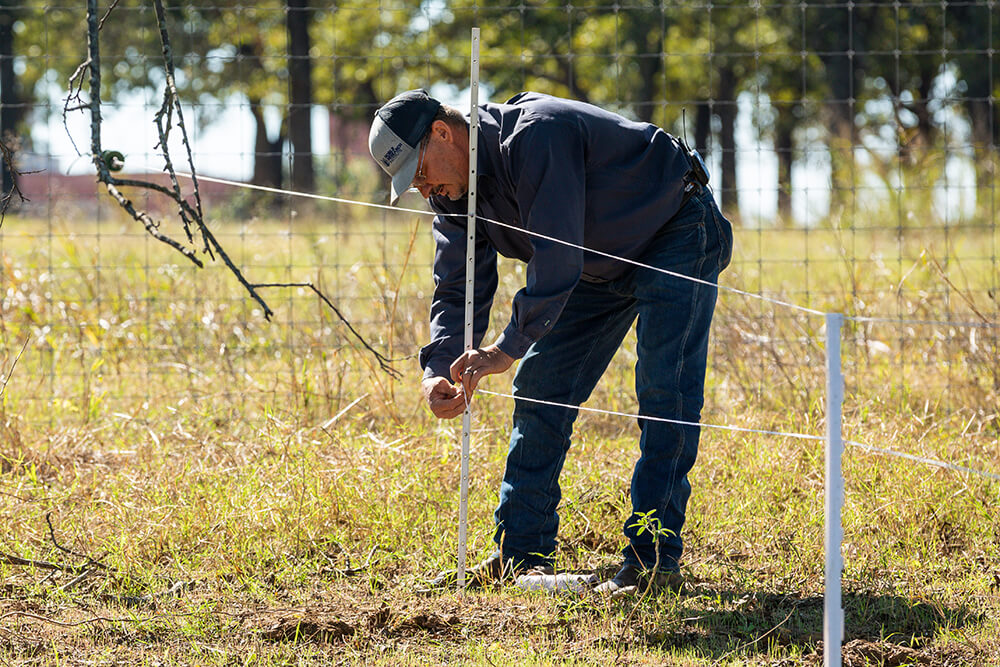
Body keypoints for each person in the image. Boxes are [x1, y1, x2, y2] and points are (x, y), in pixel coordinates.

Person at [368, 89, 732, 595]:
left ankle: (652, 562)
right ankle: (521, 555)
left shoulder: (536, 134)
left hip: (674, 228)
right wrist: (439, 367)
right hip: (596, 263)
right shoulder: (453, 196)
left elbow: (557, 258)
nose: (425, 190)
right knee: (540, 387)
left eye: (421, 172)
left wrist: (504, 349)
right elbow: (458, 288)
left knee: (664, 394)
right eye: (413, 185)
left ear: (442, 133)